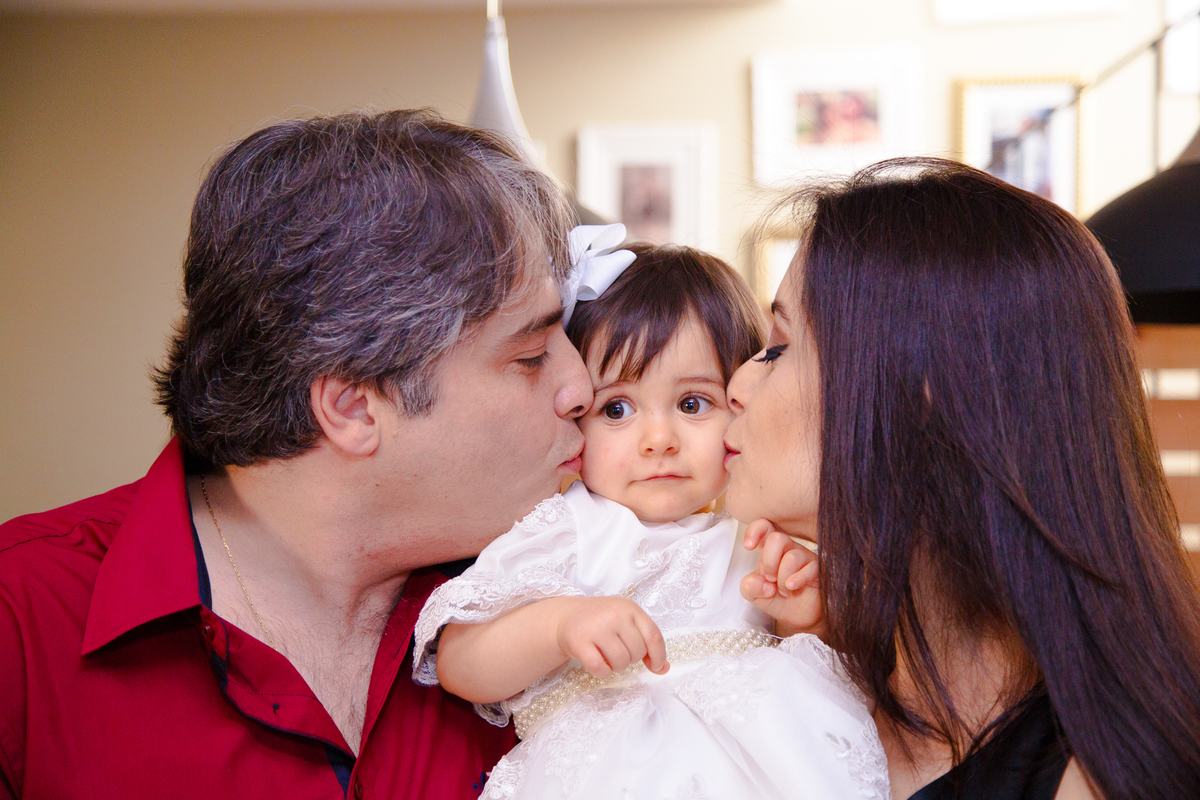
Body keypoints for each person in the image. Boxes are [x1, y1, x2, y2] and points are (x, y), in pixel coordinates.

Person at [0, 109, 595, 799]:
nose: (581, 385)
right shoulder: (22, 621)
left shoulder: (583, 585)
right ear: (352, 408)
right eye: (528, 356)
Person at [725, 157, 1200, 800]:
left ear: (918, 398)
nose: (736, 384)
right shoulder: (795, 682)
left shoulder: (1093, 781)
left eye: (779, 348)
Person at [412, 242, 892, 800]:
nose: (659, 441)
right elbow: (461, 661)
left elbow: (836, 670)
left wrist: (804, 614)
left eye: (692, 404)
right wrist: (560, 627)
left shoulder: (758, 534)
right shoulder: (566, 529)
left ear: (740, 402)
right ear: (575, 417)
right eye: (617, 409)